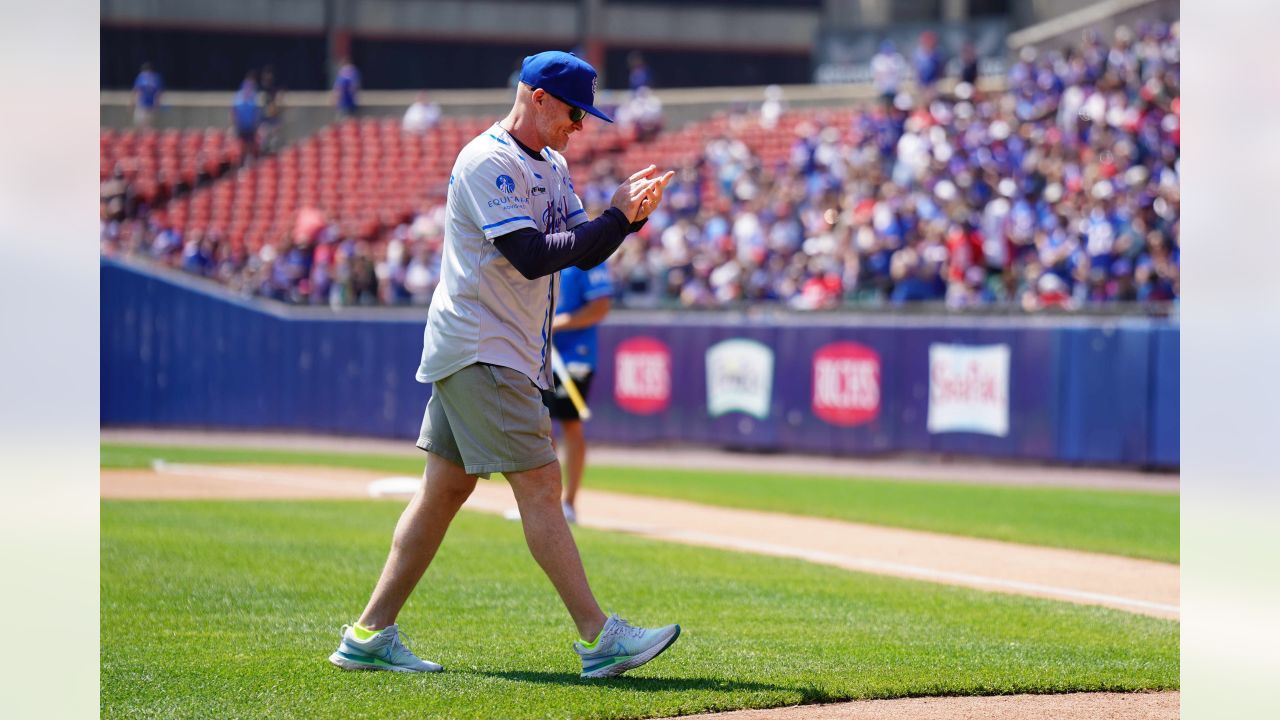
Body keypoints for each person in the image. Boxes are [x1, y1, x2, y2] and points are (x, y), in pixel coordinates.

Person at [328, 50, 679, 679]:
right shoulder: (486, 159)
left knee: (443, 492)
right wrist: (614, 218)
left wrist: (627, 221)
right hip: (484, 346)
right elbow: (531, 255)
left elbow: (585, 252)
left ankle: (368, 634)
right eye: (575, 111)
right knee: (542, 486)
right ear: (538, 97)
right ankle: (601, 638)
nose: (581, 125)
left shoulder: (555, 164)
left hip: (496, 347)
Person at [548, 264, 613, 524]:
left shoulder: (590, 255)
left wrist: (558, 323)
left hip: (575, 356)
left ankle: (568, 503)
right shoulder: (546, 246)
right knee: (539, 426)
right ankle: (543, 500)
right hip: (542, 354)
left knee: (570, 424)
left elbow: (601, 306)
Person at [132, 62, 163, 128]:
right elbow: (158, 94)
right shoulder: (155, 77)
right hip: (145, 104)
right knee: (146, 125)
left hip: (145, 105)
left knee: (144, 125)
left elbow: (136, 91)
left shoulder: (142, 77)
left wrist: (133, 103)